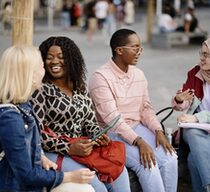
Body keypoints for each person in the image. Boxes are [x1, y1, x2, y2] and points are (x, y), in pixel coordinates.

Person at [30, 36, 131, 192]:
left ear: (71, 60)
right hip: (53, 152)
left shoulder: (80, 87)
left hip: (83, 149)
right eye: (49, 58)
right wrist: (68, 147)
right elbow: (36, 133)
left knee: (120, 172)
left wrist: (98, 136)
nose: (54, 62)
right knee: (97, 186)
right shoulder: (41, 90)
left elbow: (90, 122)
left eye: (61, 57)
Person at [89, 29, 178, 192]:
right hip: (111, 134)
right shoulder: (100, 77)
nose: (139, 52)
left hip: (137, 128)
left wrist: (158, 130)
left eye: (140, 48)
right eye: (135, 47)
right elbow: (112, 120)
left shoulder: (139, 74)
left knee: (171, 158)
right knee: (148, 164)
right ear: (119, 50)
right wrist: (139, 141)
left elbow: (146, 109)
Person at [0, 45, 95, 192]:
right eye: (41, 67)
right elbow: (26, 174)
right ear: (30, 75)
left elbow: (24, 150)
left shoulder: (23, 106)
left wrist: (41, 158)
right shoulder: (10, 118)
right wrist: (69, 176)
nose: (44, 72)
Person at [172, 38, 210, 192]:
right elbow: (185, 103)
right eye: (202, 53)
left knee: (193, 160)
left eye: (207, 55)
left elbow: (195, 116)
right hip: (195, 130)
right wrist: (179, 100)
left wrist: (196, 118)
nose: (202, 58)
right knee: (192, 132)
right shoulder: (194, 73)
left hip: (198, 125)